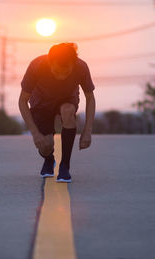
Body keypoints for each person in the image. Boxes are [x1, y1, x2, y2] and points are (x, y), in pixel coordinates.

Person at [18, 42, 96, 183]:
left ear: (74, 64)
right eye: (56, 72)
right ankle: (49, 159)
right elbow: (22, 101)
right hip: (41, 102)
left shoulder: (81, 67)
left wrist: (87, 131)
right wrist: (35, 134)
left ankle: (65, 166)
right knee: (46, 146)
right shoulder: (36, 66)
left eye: (66, 72)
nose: (61, 76)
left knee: (68, 111)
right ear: (49, 62)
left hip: (67, 98)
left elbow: (90, 98)